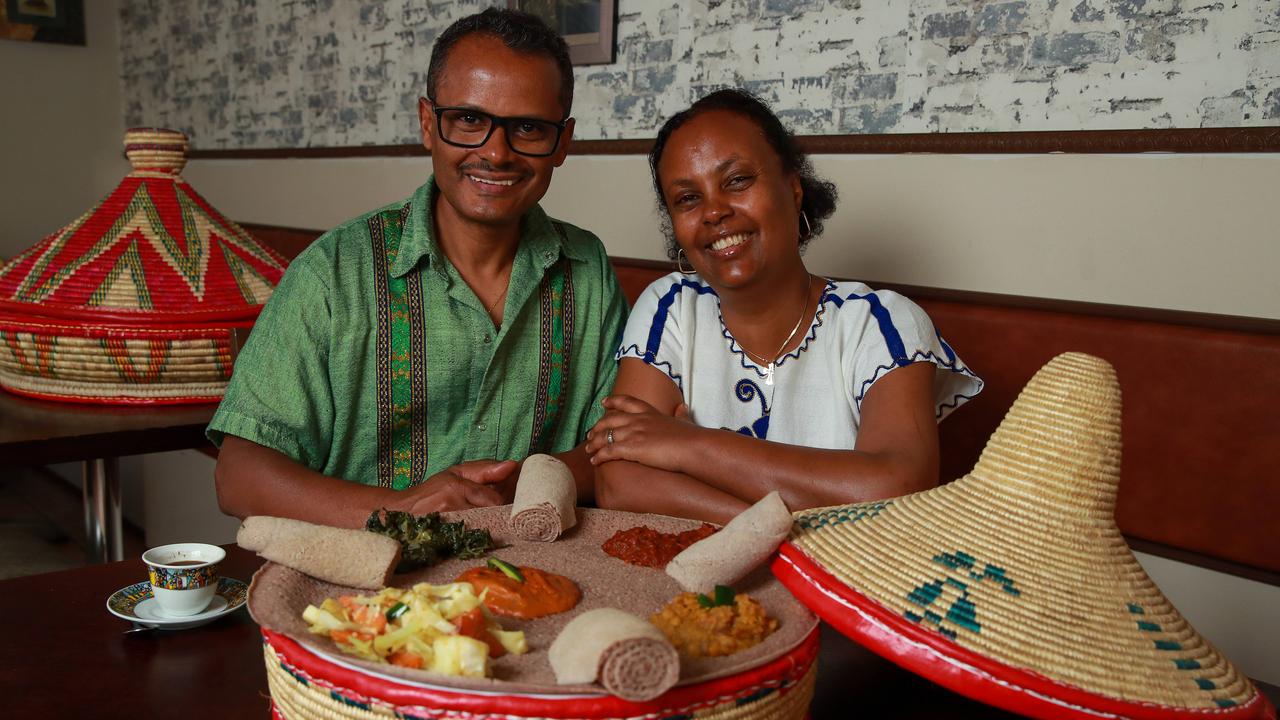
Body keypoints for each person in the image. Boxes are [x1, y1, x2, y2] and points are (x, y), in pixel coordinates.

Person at [208, 8, 627, 528]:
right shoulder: (334, 272)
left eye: (528, 127)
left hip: (531, 578)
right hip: (359, 590)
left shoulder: (587, 270)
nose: (496, 153)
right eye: (469, 120)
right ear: (428, 123)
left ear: (562, 143)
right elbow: (239, 476)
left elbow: (612, 449)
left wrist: (524, 483)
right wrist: (404, 509)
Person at [584, 89, 983, 524]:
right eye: (688, 198)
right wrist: (772, 529)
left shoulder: (883, 323)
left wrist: (689, 445)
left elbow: (896, 489)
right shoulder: (670, 307)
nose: (714, 211)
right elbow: (618, 480)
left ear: (793, 191)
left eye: (736, 180)